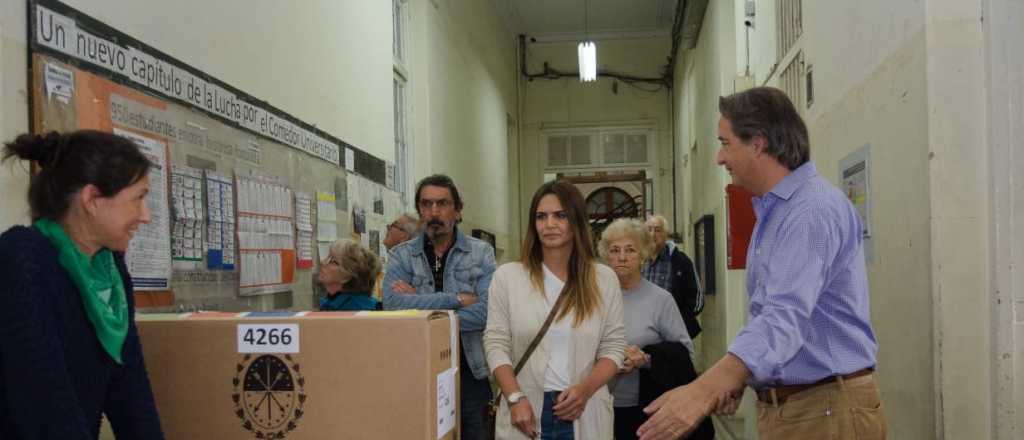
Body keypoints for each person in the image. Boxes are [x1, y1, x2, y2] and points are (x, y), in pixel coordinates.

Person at [638, 87, 886, 440]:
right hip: (801, 407)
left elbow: (784, 315)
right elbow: (769, 311)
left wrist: (705, 389)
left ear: (757, 144)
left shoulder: (810, 211)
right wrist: (744, 376)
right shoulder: (776, 211)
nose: (719, 158)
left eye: (725, 143)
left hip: (824, 409)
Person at [0, 130, 165, 439]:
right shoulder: (21, 259)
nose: (146, 216)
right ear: (92, 200)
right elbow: (45, 407)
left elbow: (131, 391)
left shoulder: (109, 269)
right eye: (138, 198)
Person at [484, 180, 626, 440]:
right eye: (541, 216)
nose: (549, 224)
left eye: (560, 215)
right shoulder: (508, 277)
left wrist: (585, 390)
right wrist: (514, 397)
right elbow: (496, 343)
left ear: (577, 221)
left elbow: (614, 347)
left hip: (583, 409)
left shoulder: (603, 279)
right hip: (525, 409)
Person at [382, 174, 496, 439]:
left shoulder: (481, 253)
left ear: (457, 211)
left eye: (442, 203)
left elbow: (486, 312)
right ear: (419, 210)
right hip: (417, 372)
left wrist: (419, 306)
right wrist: (456, 299)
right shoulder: (401, 255)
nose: (434, 212)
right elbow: (393, 306)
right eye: (426, 204)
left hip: (471, 374)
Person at [597, 218, 697, 440]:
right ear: (606, 256)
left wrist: (646, 359)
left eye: (630, 250)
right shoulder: (593, 299)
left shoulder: (661, 300)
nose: (622, 257)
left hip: (645, 409)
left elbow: (686, 355)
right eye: (615, 250)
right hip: (596, 404)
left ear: (642, 255)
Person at [641, 215, 704, 338]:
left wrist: (680, 322)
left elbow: (698, 299)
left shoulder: (680, 261)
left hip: (673, 334)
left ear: (666, 235)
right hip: (645, 332)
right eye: (649, 229)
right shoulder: (638, 261)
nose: (652, 234)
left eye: (657, 230)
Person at [314, 238, 382, 311]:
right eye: (328, 257)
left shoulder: (359, 309)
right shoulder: (330, 302)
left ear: (348, 275)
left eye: (333, 261)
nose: (323, 262)